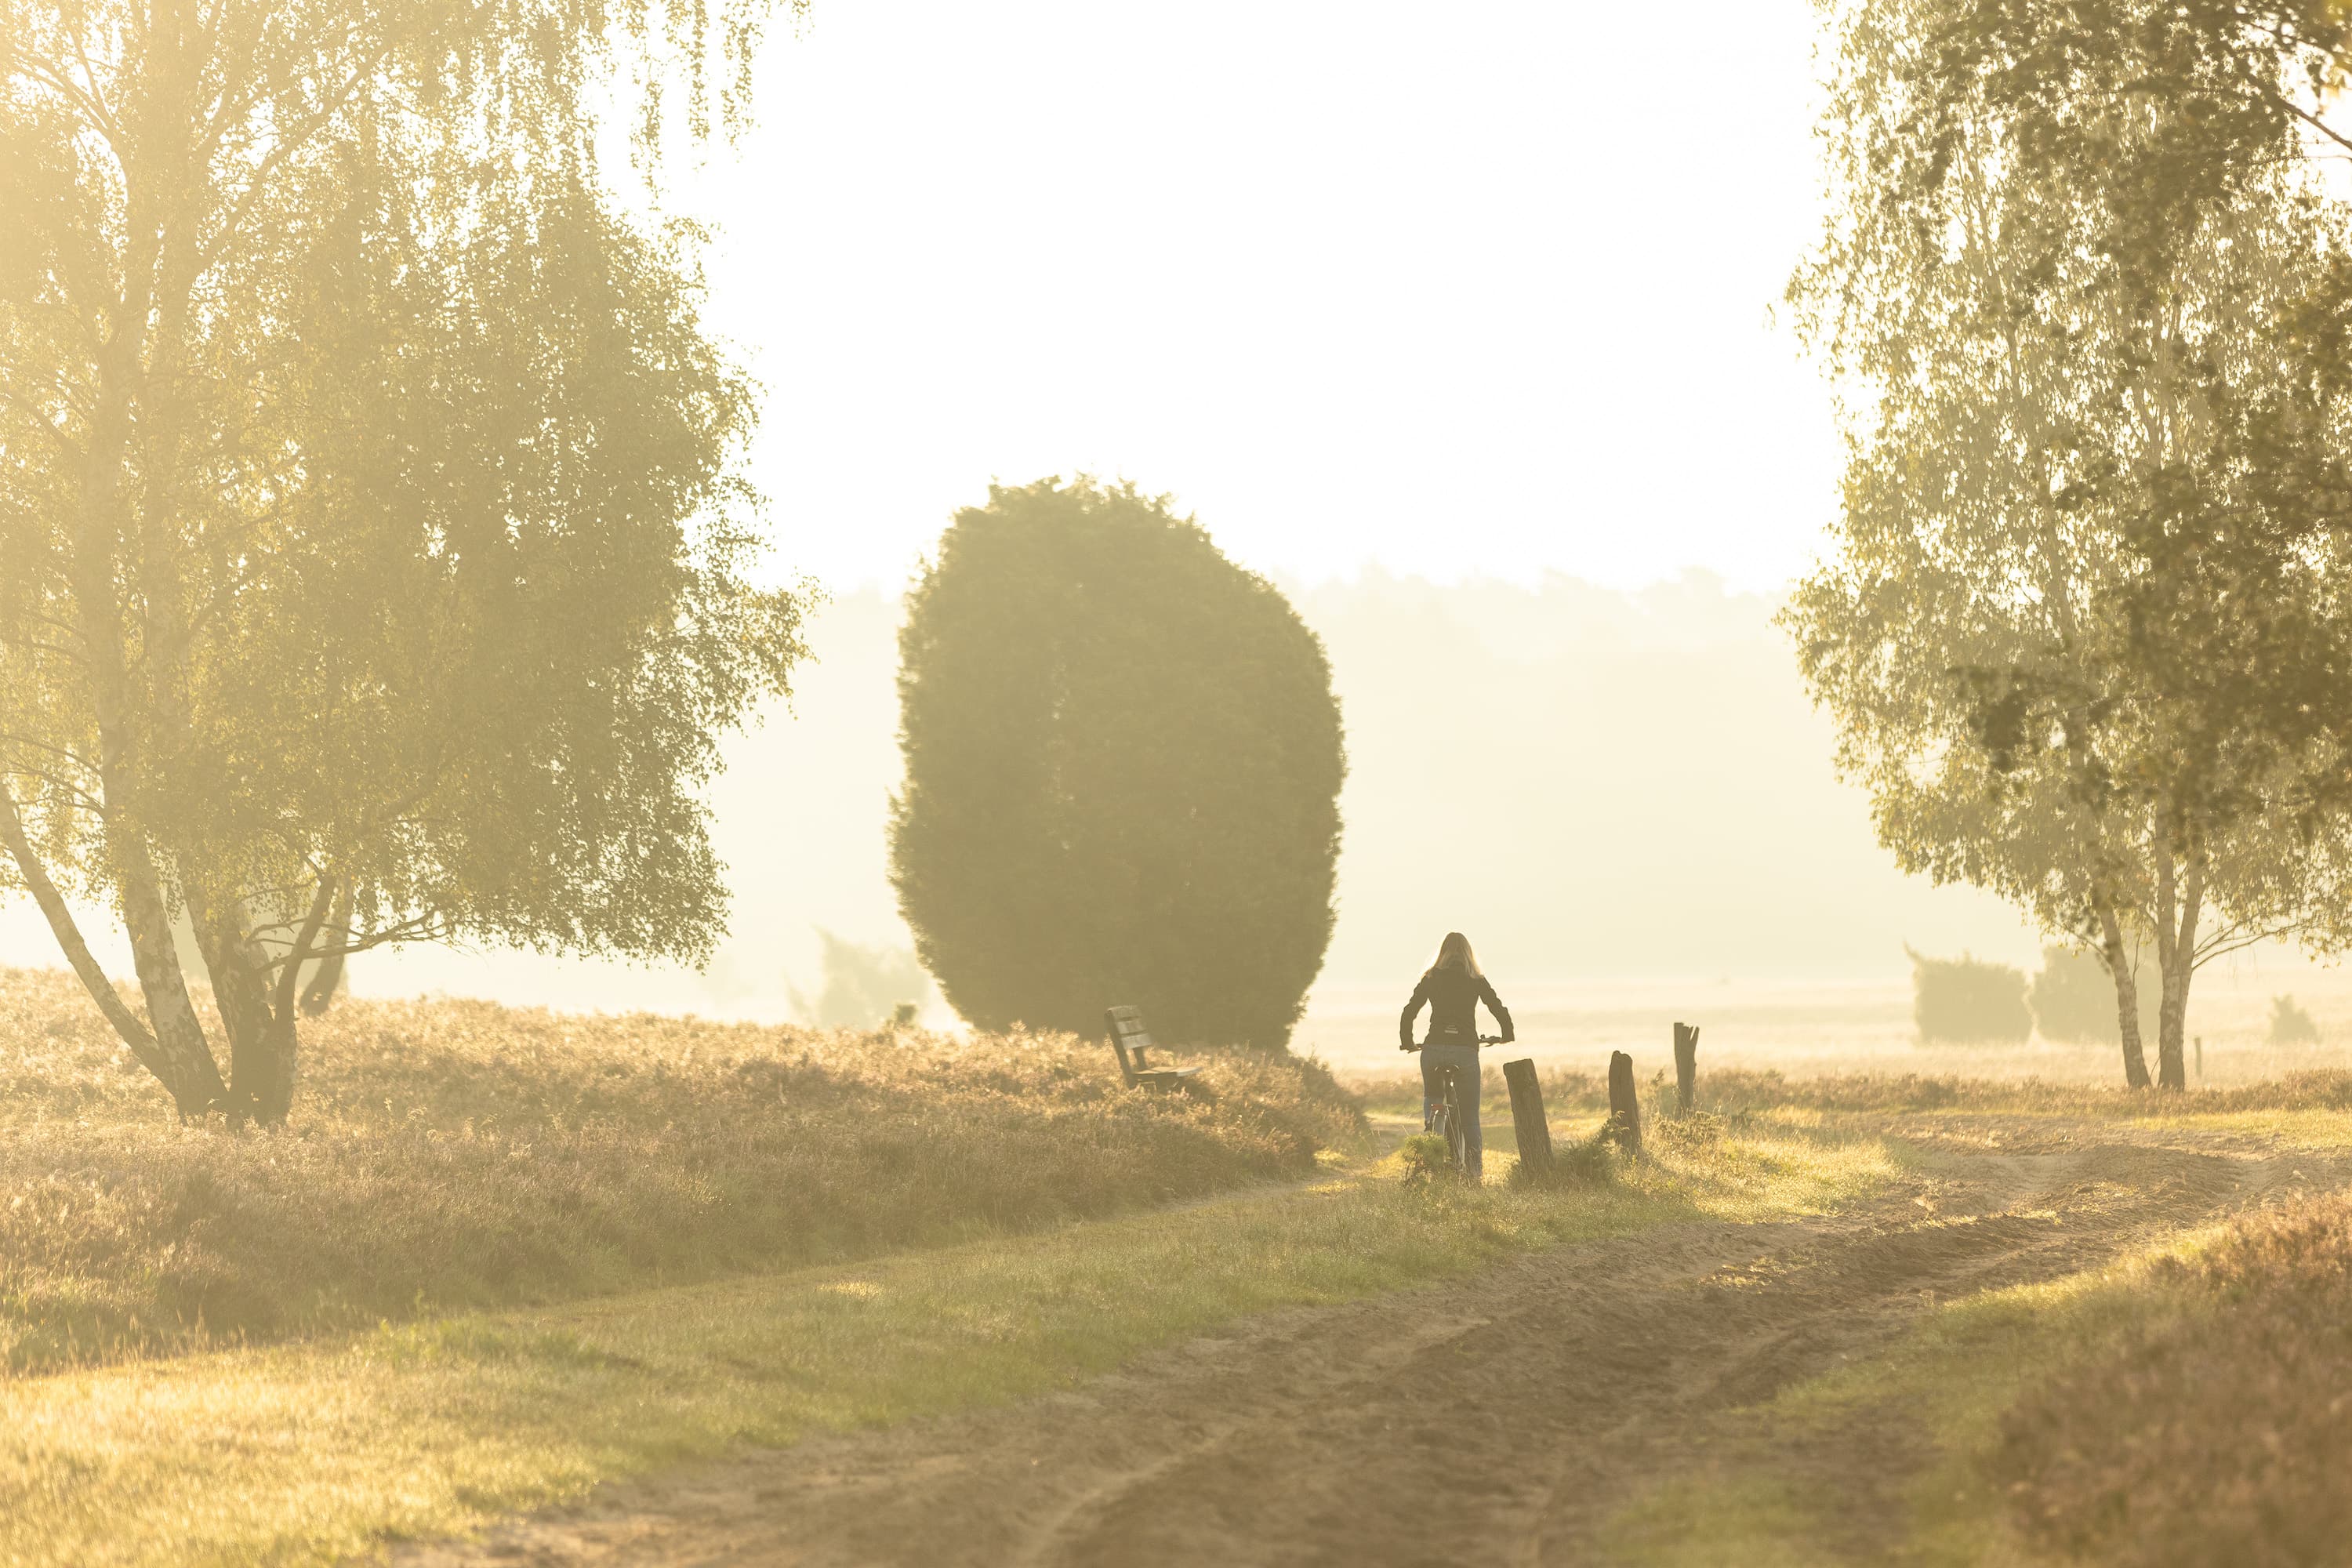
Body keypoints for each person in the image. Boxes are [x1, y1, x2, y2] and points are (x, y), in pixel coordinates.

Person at [1398, 931, 1514, 1179]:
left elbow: (1409, 1012)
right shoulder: (1476, 979)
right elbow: (1497, 1006)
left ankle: (1430, 1155)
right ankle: (1474, 1174)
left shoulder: (1430, 978)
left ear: (1442, 953)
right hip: (1465, 1050)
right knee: (1470, 1116)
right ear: (1468, 954)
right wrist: (1506, 1033)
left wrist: (1407, 1042)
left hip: (1434, 1049)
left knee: (1433, 1099)